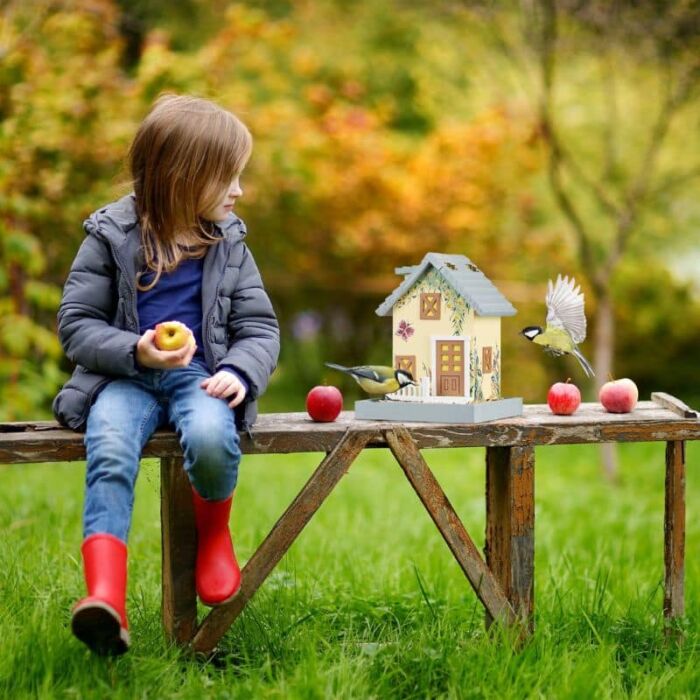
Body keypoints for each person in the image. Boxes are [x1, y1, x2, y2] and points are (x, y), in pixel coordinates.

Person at [52, 94, 280, 656]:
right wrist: (137, 350)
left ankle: (214, 536)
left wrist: (239, 372)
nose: (239, 190)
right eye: (228, 177)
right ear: (185, 177)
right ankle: (105, 598)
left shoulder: (228, 243)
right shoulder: (109, 236)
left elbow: (260, 326)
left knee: (209, 434)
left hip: (198, 376)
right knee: (109, 450)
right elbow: (76, 325)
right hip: (123, 378)